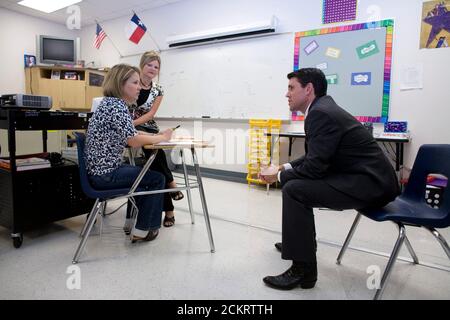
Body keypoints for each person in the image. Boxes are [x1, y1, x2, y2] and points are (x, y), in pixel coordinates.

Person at [260, 68, 400, 290]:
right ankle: (301, 244)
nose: (287, 94)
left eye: (291, 88)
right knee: (291, 182)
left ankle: (303, 270)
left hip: (370, 185)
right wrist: (282, 167)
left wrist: (276, 175)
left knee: (294, 188)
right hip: (363, 179)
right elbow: (317, 156)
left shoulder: (320, 113)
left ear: (308, 89)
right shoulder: (322, 109)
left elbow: (314, 167)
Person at [85, 63, 173, 243]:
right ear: (120, 84)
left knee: (143, 175)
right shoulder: (117, 106)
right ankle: (144, 230)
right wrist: (160, 138)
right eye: (135, 83)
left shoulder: (110, 104)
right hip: (105, 174)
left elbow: (130, 133)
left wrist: (154, 135)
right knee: (156, 179)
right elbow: (132, 141)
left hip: (100, 171)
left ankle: (133, 223)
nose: (139, 87)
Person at [128, 50, 183, 228]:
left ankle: (169, 208)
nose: (152, 69)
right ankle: (171, 187)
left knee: (154, 157)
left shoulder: (158, 89)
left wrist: (132, 123)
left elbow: (151, 114)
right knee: (155, 154)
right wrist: (128, 125)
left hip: (146, 127)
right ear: (142, 65)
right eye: (149, 65)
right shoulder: (131, 83)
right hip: (131, 129)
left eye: (156, 67)